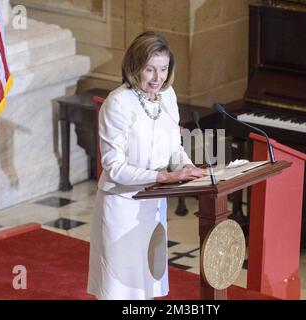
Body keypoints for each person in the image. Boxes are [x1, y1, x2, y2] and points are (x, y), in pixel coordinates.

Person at [87, 31, 208, 300]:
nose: (158, 78)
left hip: (154, 205)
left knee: (146, 286)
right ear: (134, 67)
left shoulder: (167, 96)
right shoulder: (118, 103)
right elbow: (113, 165)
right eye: (150, 69)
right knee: (121, 289)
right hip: (123, 206)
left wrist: (189, 170)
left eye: (163, 69)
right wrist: (163, 176)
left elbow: (174, 148)